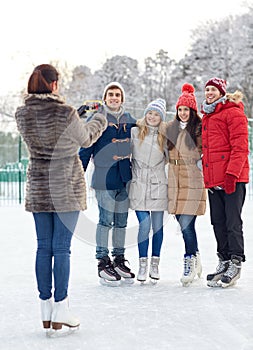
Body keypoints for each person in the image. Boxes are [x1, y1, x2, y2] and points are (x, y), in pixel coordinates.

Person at [15, 64, 107, 334]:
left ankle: (46, 309)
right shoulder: (64, 112)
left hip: (40, 186)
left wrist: (76, 116)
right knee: (62, 248)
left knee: (43, 247)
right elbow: (86, 138)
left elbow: (49, 135)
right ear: (54, 85)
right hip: (65, 185)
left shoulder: (22, 114)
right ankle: (62, 307)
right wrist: (99, 118)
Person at [79, 82, 136, 286]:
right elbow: (85, 148)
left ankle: (119, 259)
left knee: (121, 222)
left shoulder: (129, 120)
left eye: (117, 95)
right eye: (110, 94)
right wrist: (79, 173)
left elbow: (147, 135)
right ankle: (103, 261)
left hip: (124, 177)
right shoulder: (98, 119)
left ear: (122, 98)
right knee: (106, 221)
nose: (114, 98)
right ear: (105, 98)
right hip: (104, 177)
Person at [201, 77, 249, 288]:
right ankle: (224, 260)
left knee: (232, 222)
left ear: (221, 92)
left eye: (213, 89)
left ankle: (236, 262)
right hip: (214, 180)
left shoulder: (234, 112)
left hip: (232, 179)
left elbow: (240, 148)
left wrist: (232, 175)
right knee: (217, 222)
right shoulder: (207, 116)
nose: (209, 93)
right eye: (207, 90)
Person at [166, 83, 207, 287]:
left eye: (187, 110)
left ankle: (189, 260)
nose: (183, 113)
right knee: (183, 223)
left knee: (187, 225)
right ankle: (196, 256)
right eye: (180, 109)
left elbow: (207, 150)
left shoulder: (199, 129)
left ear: (193, 111)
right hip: (175, 181)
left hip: (192, 179)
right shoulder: (170, 129)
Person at [129, 98, 168, 283]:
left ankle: (155, 263)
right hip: (138, 185)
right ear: (145, 114)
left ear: (161, 118)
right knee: (144, 224)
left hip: (157, 186)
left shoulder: (165, 137)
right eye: (150, 113)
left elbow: (172, 159)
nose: (152, 117)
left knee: (157, 227)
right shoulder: (135, 132)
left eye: (157, 114)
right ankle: (142, 264)